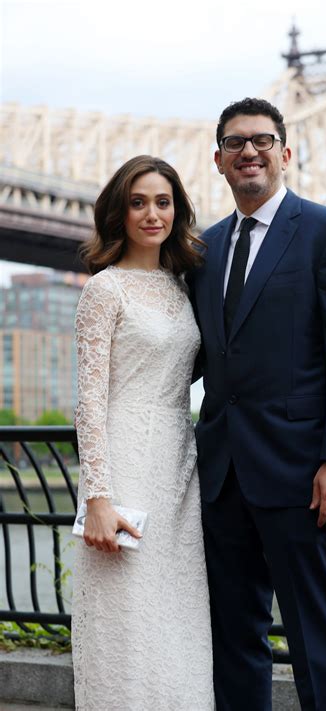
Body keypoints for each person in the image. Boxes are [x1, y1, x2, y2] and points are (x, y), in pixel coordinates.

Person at [188, 98, 326, 711]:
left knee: (320, 641)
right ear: (218, 160)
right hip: (222, 479)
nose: (250, 151)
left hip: (305, 478)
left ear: (285, 153)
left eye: (263, 140)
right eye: (236, 143)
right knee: (234, 642)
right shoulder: (204, 249)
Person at [72, 155, 214, 710]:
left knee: (177, 624)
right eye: (138, 202)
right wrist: (98, 499)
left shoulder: (180, 288)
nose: (152, 213)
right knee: (126, 626)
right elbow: (89, 403)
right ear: (120, 213)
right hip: (124, 469)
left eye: (163, 201)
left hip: (179, 470)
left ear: (176, 212)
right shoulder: (104, 290)